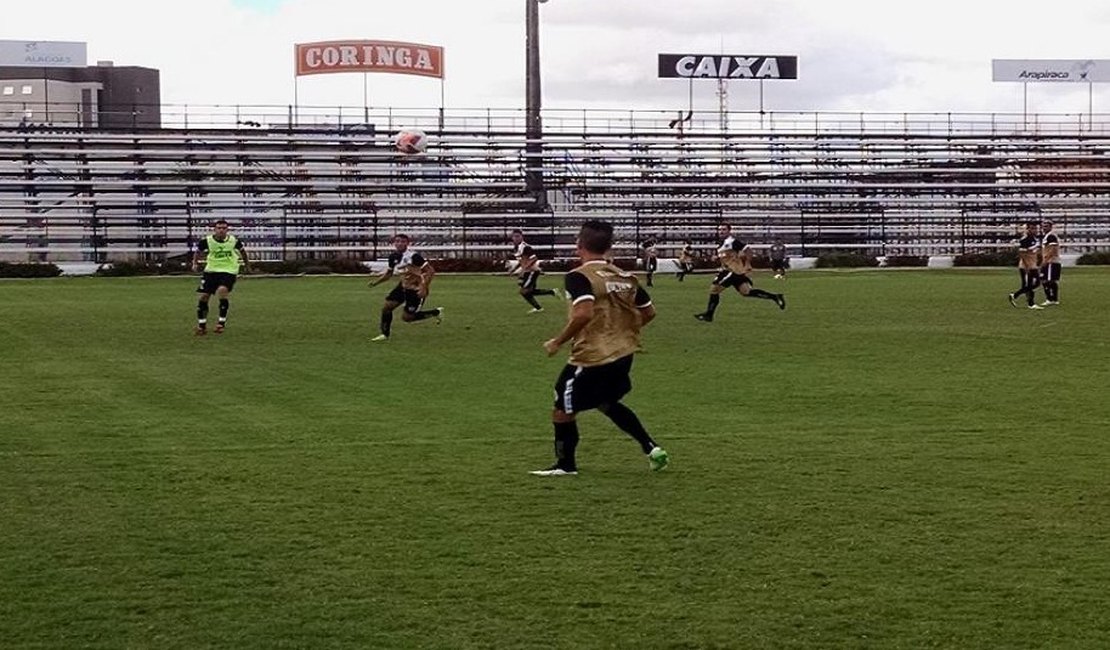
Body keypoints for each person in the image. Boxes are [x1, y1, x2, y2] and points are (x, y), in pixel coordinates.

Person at [531, 219, 669, 477]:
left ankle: (565, 466)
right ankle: (652, 448)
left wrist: (557, 341)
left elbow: (582, 314)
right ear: (608, 246)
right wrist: (621, 330)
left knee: (562, 406)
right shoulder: (625, 277)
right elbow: (649, 313)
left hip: (592, 356)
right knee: (605, 402)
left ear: (579, 245)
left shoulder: (578, 276)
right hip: (624, 353)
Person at [368, 234, 443, 341]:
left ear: (408, 243)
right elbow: (389, 274)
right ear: (394, 243)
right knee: (387, 307)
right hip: (402, 287)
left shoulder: (414, 256)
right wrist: (376, 282)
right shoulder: (393, 257)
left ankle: (436, 312)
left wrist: (423, 287)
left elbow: (430, 271)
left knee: (407, 318)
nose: (399, 243)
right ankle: (384, 334)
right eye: (397, 241)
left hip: (415, 289)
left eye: (402, 241)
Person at [695, 234, 785, 322]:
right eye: (720, 230)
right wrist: (716, 258)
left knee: (714, 289)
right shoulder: (721, 244)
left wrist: (747, 265)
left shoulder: (732, 241)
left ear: (729, 231)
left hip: (731, 271)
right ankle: (775, 297)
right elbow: (728, 258)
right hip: (735, 272)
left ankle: (709, 315)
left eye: (724, 229)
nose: (721, 232)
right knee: (746, 292)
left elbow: (748, 250)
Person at [192, 218, 250, 335]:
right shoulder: (207, 241)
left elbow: (243, 252)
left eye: (224, 228)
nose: (221, 230)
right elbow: (198, 252)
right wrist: (195, 263)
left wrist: (247, 265)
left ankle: (221, 323)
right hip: (211, 271)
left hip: (228, 270)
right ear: (215, 229)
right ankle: (202, 325)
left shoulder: (233, 241)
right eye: (219, 228)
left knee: (222, 290)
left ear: (227, 230)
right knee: (204, 297)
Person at [509, 229, 561, 313]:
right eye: (514, 236)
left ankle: (539, 308)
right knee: (529, 291)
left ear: (522, 237)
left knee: (524, 291)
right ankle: (552, 292)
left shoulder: (525, 247)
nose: (516, 238)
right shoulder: (516, 248)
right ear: (512, 238)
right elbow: (522, 261)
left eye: (518, 236)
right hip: (527, 272)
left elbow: (534, 258)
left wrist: (524, 269)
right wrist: (514, 269)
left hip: (532, 271)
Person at [1008, 222, 1044, 310]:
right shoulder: (1025, 239)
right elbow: (1022, 253)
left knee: (1031, 284)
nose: (1034, 230)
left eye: (1035, 228)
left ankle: (1028, 302)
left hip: (1033, 264)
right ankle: (1023, 299)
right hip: (1027, 266)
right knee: (1034, 283)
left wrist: (1039, 261)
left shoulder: (1034, 239)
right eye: (1032, 228)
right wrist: (1027, 266)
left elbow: (1036, 251)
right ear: (1027, 229)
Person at [1040, 220, 1061, 306]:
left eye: (1046, 226)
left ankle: (1050, 299)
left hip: (1051, 262)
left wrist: (1046, 260)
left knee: (1048, 280)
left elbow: (1053, 249)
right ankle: (1054, 299)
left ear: (1050, 227)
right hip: (1050, 261)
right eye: (1043, 226)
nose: (1044, 228)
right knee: (1048, 280)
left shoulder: (1051, 236)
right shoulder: (1047, 236)